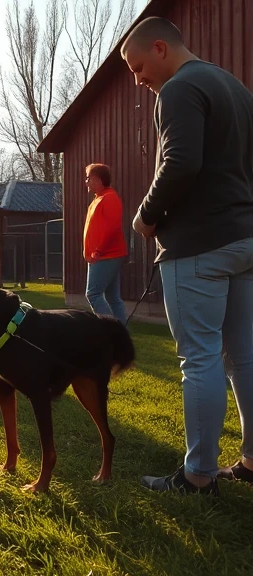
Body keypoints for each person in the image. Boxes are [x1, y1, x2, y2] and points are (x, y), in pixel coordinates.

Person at [121, 17, 253, 495]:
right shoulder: (235, 88)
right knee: (244, 357)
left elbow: (181, 161)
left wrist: (145, 216)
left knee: (199, 359)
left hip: (198, 246)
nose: (139, 79)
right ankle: (252, 460)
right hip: (244, 241)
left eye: (138, 67)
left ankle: (198, 475)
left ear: (161, 48)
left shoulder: (178, 89)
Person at [82, 163, 128, 324]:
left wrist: (99, 250)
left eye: (88, 178)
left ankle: (112, 332)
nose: (86, 182)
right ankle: (122, 335)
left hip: (106, 255)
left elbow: (112, 227)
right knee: (112, 297)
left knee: (93, 294)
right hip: (103, 255)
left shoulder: (109, 198)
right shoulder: (99, 199)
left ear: (98, 179)